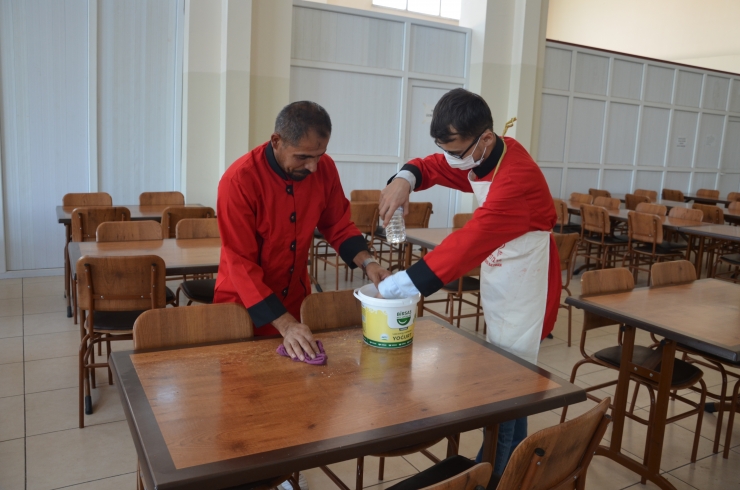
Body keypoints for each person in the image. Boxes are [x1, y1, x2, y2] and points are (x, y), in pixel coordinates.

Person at [377, 88, 560, 477]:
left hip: (525, 274)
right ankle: (512, 466)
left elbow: (467, 244)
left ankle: (491, 475)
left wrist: (395, 288)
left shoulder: (515, 178)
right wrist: (404, 179)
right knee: (512, 372)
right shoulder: (482, 155)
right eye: (444, 147)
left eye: (456, 151)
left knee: (510, 376)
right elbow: (434, 166)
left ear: (486, 139)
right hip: (504, 265)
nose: (450, 159)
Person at [215, 101, 391, 362]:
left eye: (319, 155)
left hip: (295, 301)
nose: (313, 167)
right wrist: (285, 325)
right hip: (242, 306)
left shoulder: (325, 169)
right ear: (276, 141)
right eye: (303, 157)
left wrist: (369, 263)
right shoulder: (238, 181)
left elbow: (337, 224)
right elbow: (240, 263)